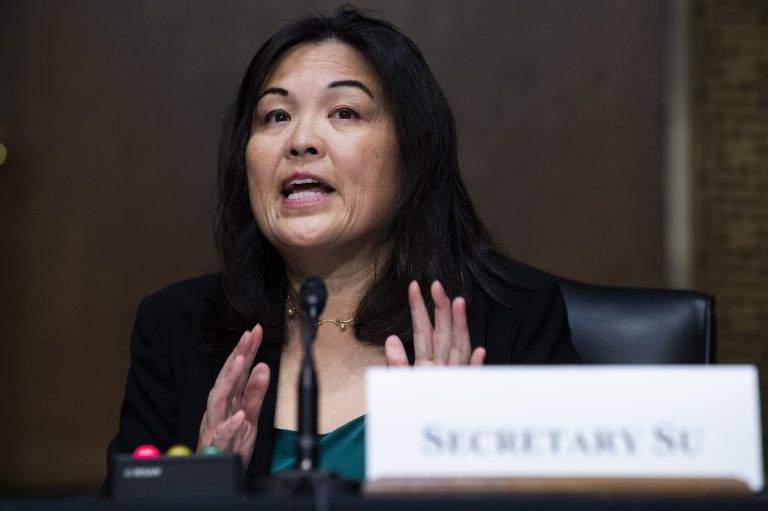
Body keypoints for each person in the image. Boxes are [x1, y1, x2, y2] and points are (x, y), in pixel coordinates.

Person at [105, 6, 580, 489]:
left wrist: (455, 468)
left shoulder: (512, 319)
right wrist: (202, 485)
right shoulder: (176, 329)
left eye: (345, 112)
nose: (301, 140)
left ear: (412, 151)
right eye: (276, 115)